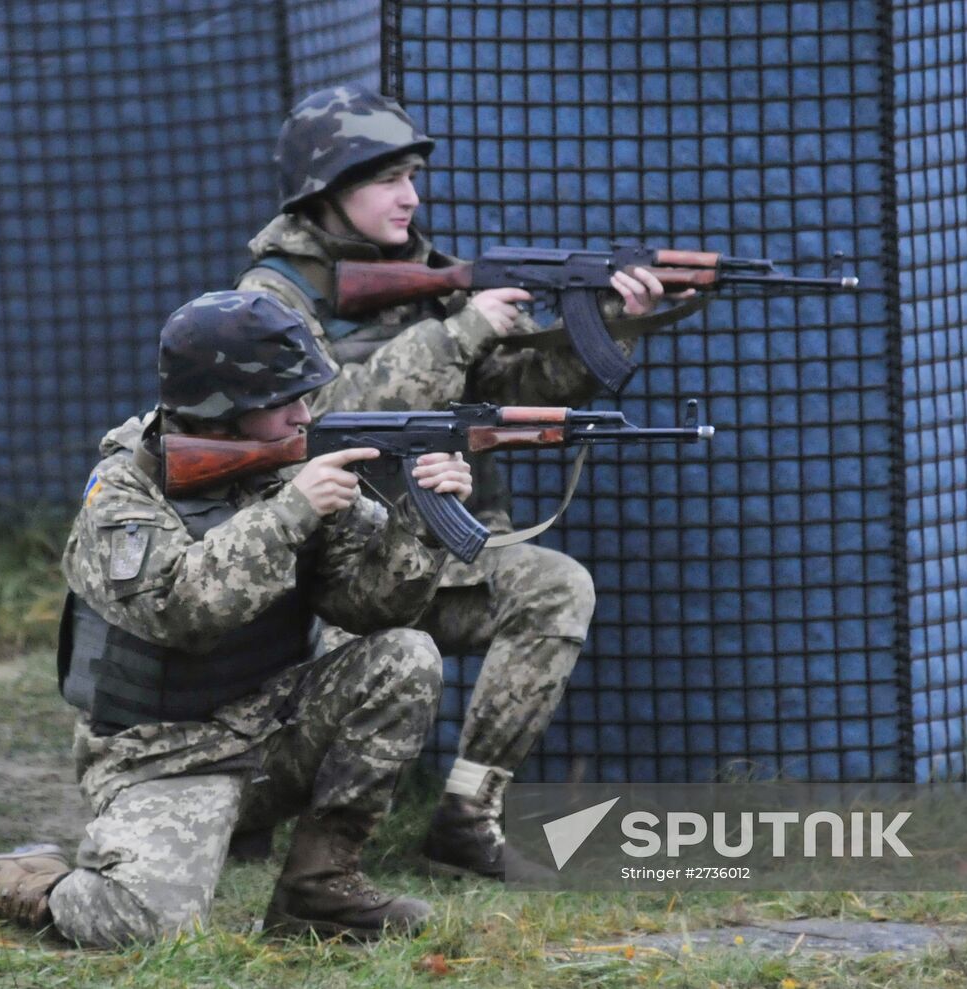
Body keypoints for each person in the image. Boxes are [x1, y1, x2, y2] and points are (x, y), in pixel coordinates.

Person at [0, 291, 474, 945]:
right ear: (223, 407)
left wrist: (421, 525)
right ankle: (21, 880)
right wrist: (292, 513)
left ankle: (321, 888)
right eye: (285, 400)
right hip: (164, 753)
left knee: (405, 655)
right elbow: (182, 611)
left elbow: (371, 608)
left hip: (274, 727)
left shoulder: (290, 468)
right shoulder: (122, 492)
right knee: (143, 925)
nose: (305, 414)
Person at [234, 85, 699, 879]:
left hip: (435, 553)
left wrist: (612, 322)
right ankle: (266, 817)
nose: (410, 197)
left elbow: (517, 387)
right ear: (326, 190)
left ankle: (466, 816)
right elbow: (320, 418)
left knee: (556, 588)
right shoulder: (271, 297)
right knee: (356, 668)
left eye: (412, 177)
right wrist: (462, 330)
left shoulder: (433, 275)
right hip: (327, 573)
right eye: (386, 180)